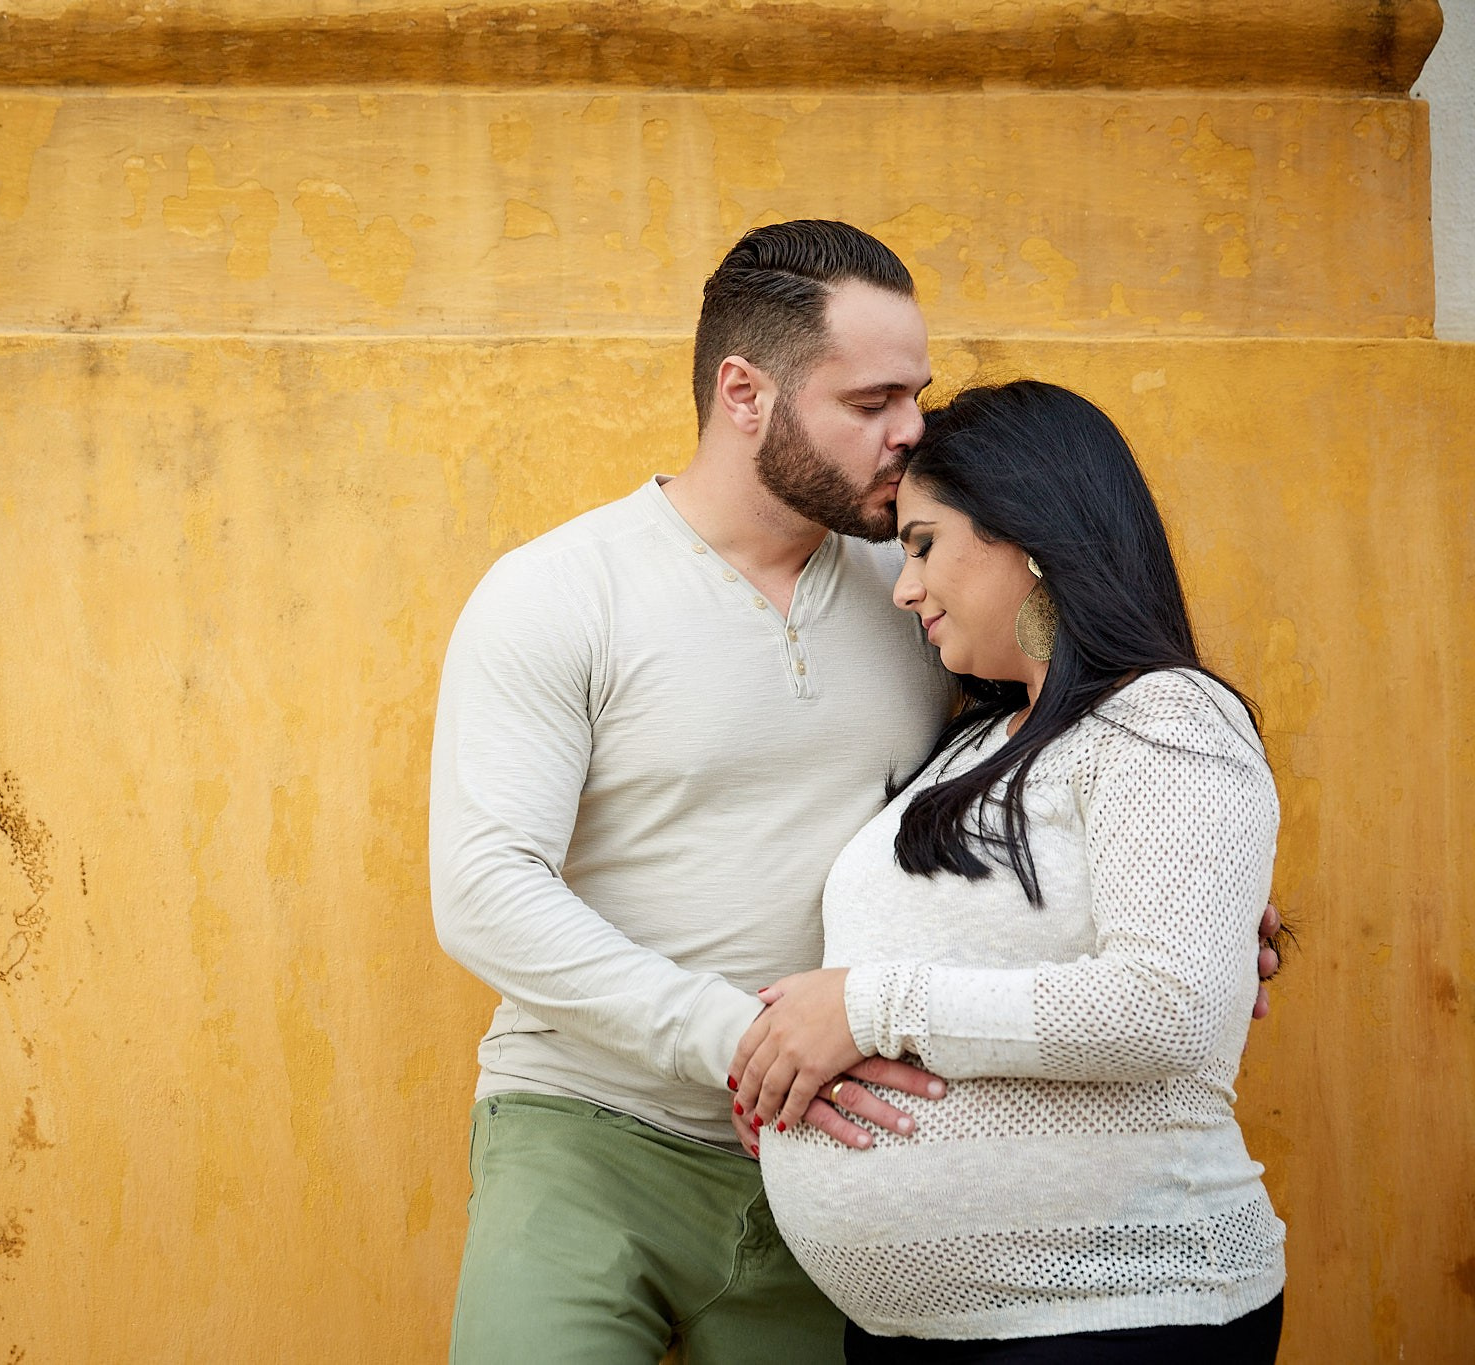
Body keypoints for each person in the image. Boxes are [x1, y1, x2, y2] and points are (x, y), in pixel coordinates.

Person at [429, 221, 1281, 1362]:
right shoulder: (560, 591)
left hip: (840, 1152)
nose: (911, 430)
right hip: (593, 1124)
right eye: (872, 400)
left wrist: (1192, 894)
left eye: (915, 394)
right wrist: (748, 1040)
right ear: (744, 393)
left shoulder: (922, 578)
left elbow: (1058, 766)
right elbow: (485, 890)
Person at [737, 381, 1285, 1361]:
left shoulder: (1164, 716)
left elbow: (1171, 1008)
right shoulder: (967, 744)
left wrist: (866, 1010)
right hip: (908, 1329)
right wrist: (794, 1072)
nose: (903, 588)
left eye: (921, 545)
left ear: (1029, 535)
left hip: (1114, 1311)